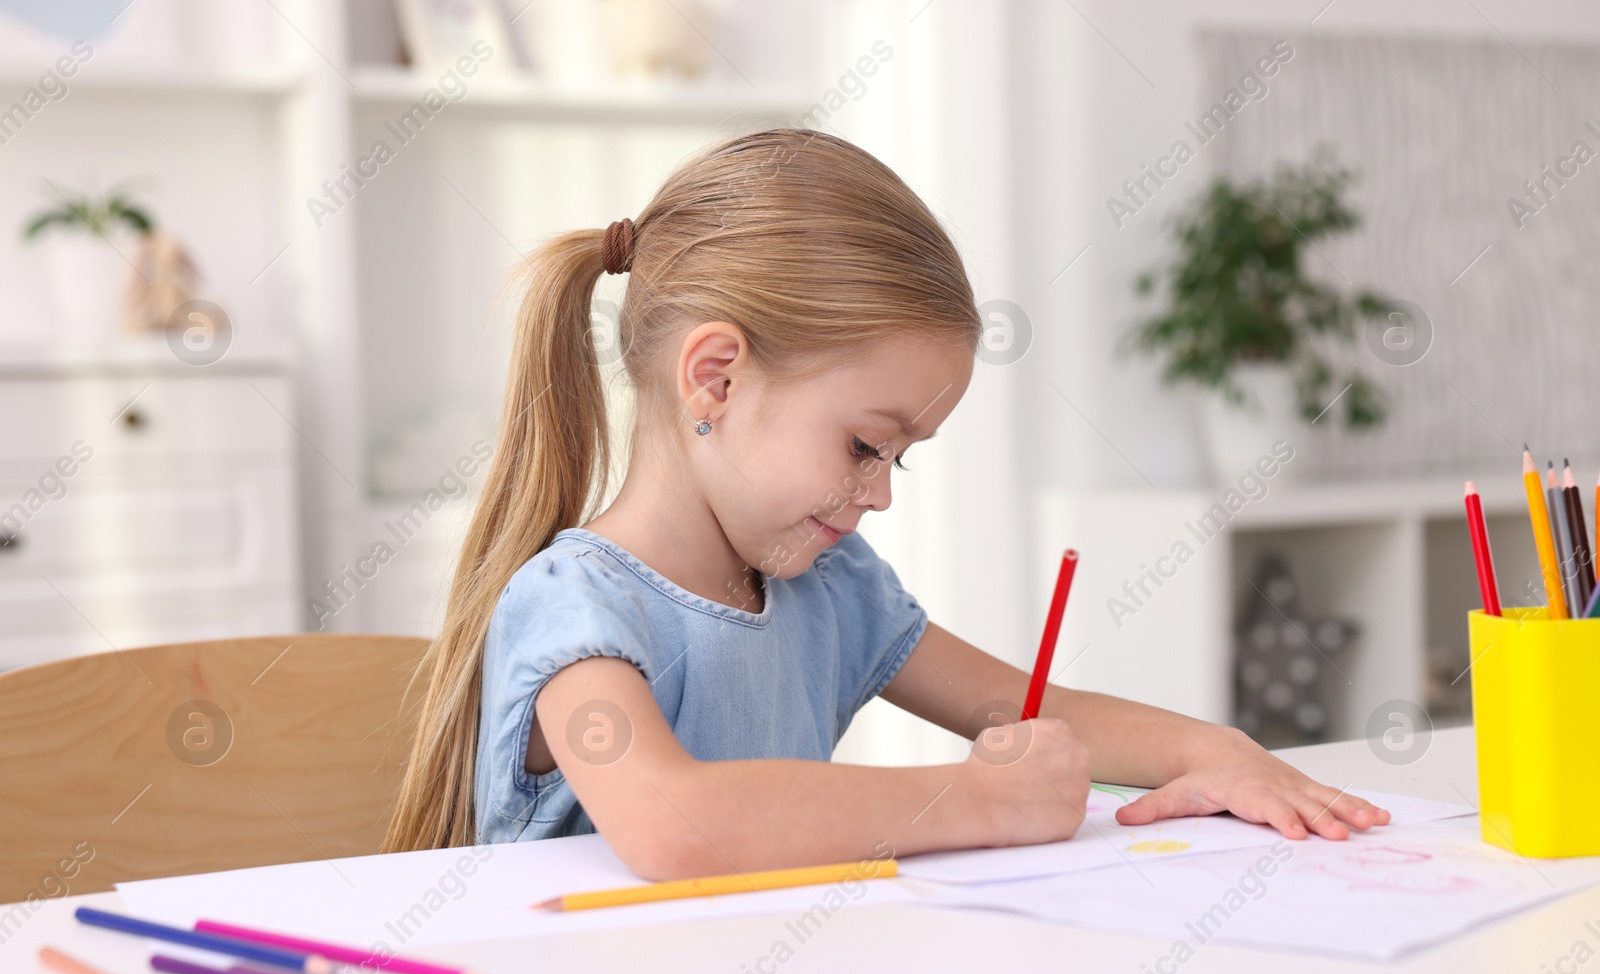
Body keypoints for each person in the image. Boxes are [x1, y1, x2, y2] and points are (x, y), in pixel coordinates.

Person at [383, 129, 1388, 876]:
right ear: (717, 379)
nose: (877, 494)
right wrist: (981, 798)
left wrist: (1221, 751)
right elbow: (670, 823)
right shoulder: (578, 606)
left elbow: (1040, 710)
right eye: (866, 444)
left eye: (899, 459)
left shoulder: (835, 588)